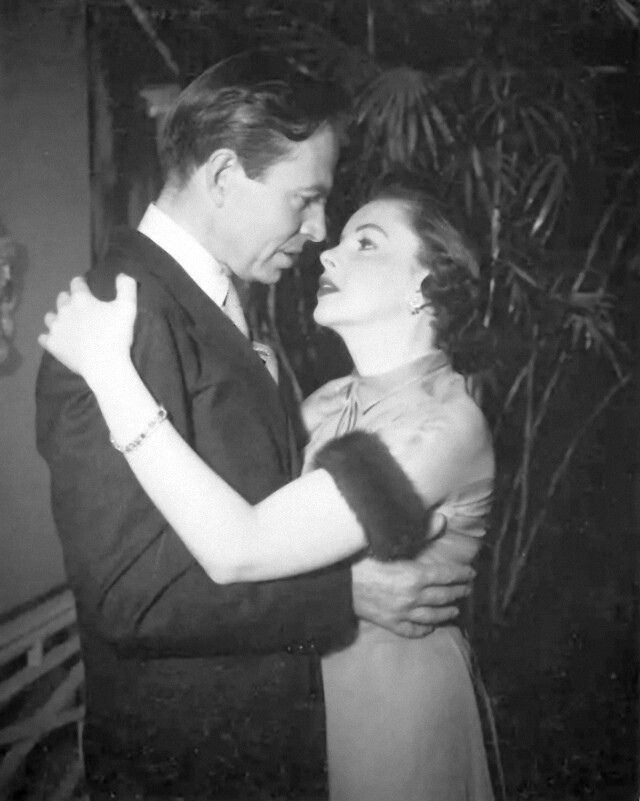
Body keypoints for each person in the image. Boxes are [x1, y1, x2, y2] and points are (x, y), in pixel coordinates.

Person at [35, 55, 473, 801]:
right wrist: (343, 596)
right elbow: (132, 596)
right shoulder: (120, 318)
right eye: (305, 199)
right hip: (192, 765)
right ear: (224, 175)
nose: (319, 229)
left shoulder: (205, 304)